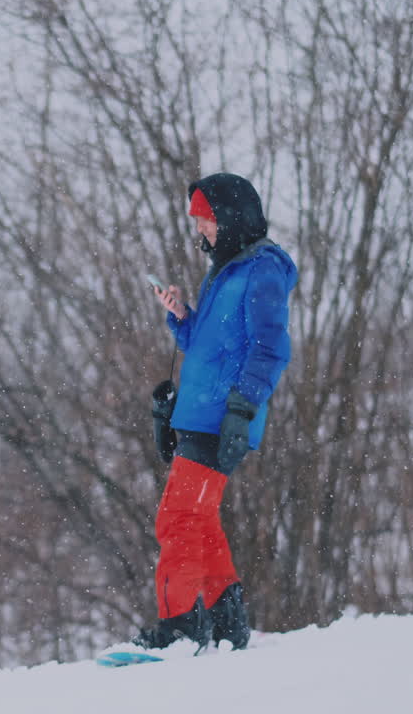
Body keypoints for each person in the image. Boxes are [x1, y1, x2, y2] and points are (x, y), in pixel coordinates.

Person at [138, 172, 297, 652]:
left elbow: (270, 349)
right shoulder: (223, 270)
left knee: (178, 518)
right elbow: (204, 346)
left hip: (223, 416)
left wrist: (242, 409)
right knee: (199, 520)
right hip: (200, 414)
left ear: (230, 218)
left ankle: (182, 628)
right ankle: (227, 621)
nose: (201, 230)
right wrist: (182, 315)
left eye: (205, 220)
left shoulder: (261, 269)